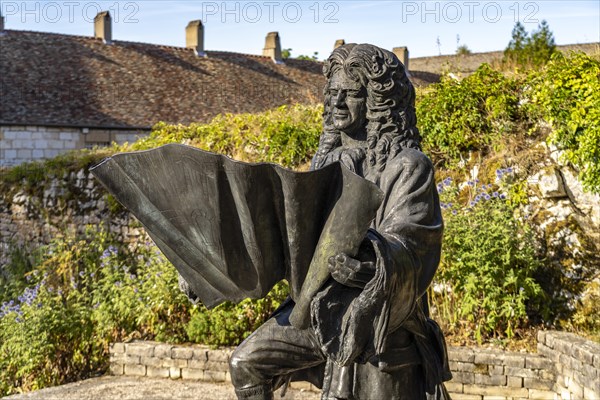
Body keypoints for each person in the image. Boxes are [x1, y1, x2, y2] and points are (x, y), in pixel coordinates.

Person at [229, 43, 451, 400]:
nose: (336, 103)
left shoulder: (407, 166)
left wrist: (370, 265)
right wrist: (221, 266)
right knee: (246, 362)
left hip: (382, 315)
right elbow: (295, 240)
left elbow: (413, 244)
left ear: (378, 100)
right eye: (332, 93)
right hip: (320, 306)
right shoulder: (327, 163)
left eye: (350, 94)